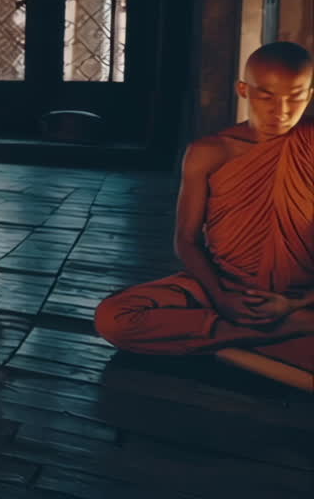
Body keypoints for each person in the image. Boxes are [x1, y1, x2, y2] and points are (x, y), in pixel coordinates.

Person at [95, 41, 314, 374]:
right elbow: (186, 240)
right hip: (223, 285)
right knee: (113, 318)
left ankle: (224, 340)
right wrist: (223, 298)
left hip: (300, 296)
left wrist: (295, 304)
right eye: (267, 96)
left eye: (295, 97)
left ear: (310, 95)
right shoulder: (209, 152)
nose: (281, 110)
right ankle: (283, 334)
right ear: (244, 90)